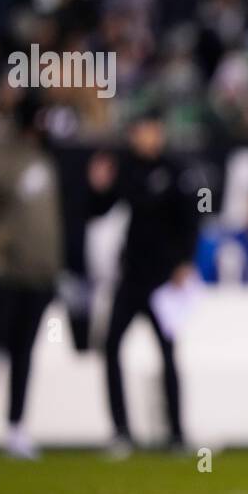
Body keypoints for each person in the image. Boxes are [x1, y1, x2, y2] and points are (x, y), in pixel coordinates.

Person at [0, 92, 63, 461]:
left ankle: (16, 427)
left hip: (36, 275)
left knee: (23, 354)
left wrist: (52, 269)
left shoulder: (44, 159)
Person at [88, 110, 200, 455]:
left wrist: (184, 262)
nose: (146, 137)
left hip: (164, 279)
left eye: (151, 129)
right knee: (110, 348)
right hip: (132, 275)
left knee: (167, 354)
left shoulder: (175, 169)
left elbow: (191, 219)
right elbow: (100, 208)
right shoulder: (125, 167)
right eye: (141, 130)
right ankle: (121, 431)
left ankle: (177, 433)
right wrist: (99, 187)